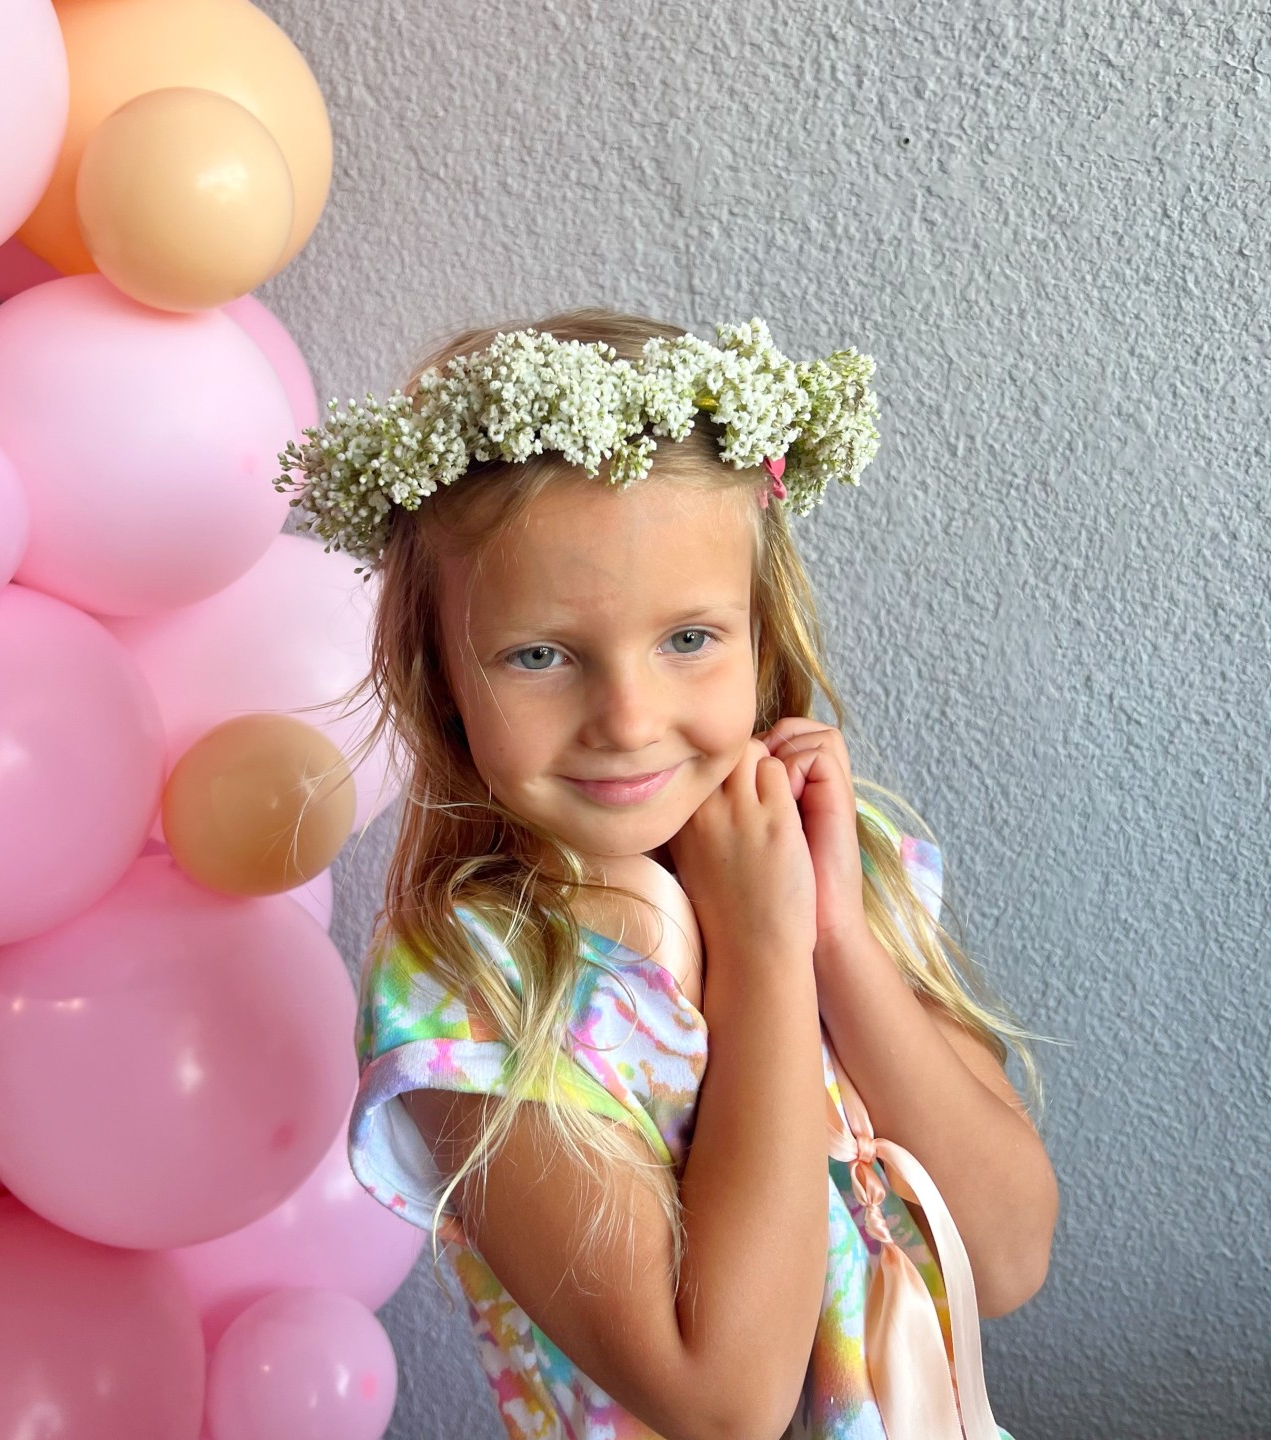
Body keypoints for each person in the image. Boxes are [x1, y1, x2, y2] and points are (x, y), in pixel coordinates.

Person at [276, 310, 1058, 1440]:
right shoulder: (475, 979)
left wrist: (832, 931)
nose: (630, 721)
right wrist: (763, 955)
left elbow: (1012, 1253)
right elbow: (725, 1400)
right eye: (540, 655)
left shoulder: (828, 862)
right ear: (442, 675)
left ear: (758, 632)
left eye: (688, 638)